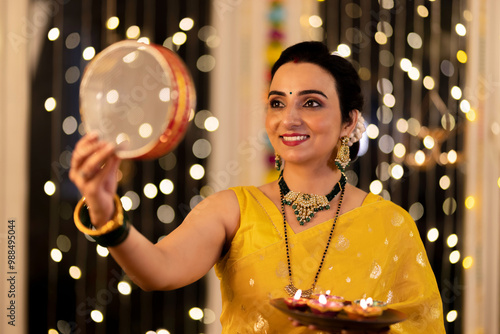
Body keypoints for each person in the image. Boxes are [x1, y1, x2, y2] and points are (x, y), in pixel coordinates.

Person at [70, 41, 445, 333]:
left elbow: (419, 325)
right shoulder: (234, 209)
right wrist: (105, 214)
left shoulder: (391, 225)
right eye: (277, 103)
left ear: (349, 122)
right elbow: (157, 270)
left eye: (311, 103)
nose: (289, 119)